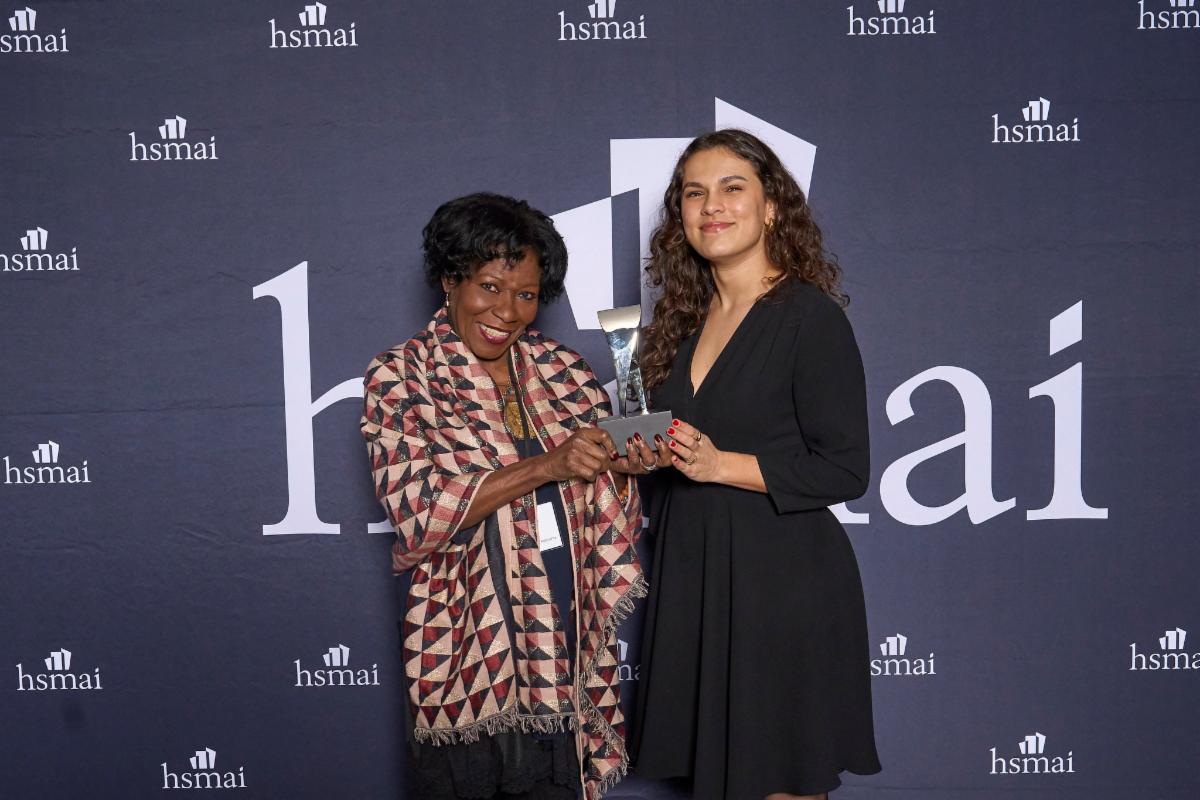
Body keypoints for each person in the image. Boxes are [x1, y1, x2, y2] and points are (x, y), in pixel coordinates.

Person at [361, 192, 659, 800]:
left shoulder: (564, 370)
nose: (507, 311)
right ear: (450, 280)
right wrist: (547, 465)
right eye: (491, 287)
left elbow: (605, 497)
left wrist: (624, 467)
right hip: (466, 645)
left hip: (564, 638)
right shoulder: (401, 376)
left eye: (526, 295)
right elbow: (418, 514)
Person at [631, 130, 882, 799]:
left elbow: (846, 470)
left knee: (780, 783)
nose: (712, 205)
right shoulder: (681, 325)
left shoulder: (808, 317)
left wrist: (721, 465)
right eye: (694, 193)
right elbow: (678, 456)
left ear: (772, 208)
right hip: (697, 575)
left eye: (732, 187)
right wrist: (646, 456)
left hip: (780, 583)